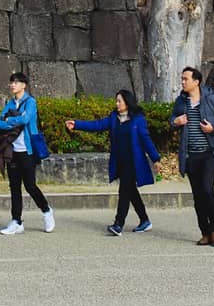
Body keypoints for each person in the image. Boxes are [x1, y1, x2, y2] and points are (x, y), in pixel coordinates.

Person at [65, 89, 160, 235]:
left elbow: (146, 139)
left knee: (124, 191)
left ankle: (118, 224)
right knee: (130, 191)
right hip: (120, 161)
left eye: (119, 101)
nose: (117, 104)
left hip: (134, 162)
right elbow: (97, 125)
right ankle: (145, 220)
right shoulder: (114, 118)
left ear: (127, 102)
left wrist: (156, 158)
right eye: (116, 101)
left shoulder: (138, 120)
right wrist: (77, 124)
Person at [171, 65, 214, 246]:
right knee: (198, 196)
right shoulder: (181, 102)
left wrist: (212, 128)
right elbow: (172, 121)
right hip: (190, 155)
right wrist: (176, 122)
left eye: (186, 79)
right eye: (182, 79)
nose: (182, 82)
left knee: (207, 191)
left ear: (196, 81)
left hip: (209, 154)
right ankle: (204, 232)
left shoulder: (212, 100)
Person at [0, 70, 56, 236]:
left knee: (30, 185)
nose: (12, 85)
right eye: (11, 82)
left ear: (23, 85)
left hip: (27, 151)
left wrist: (10, 120)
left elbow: (25, 119)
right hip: (12, 150)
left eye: (16, 82)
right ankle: (16, 221)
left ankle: (46, 211)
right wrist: (9, 121)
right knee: (14, 186)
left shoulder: (30, 102)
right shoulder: (10, 103)